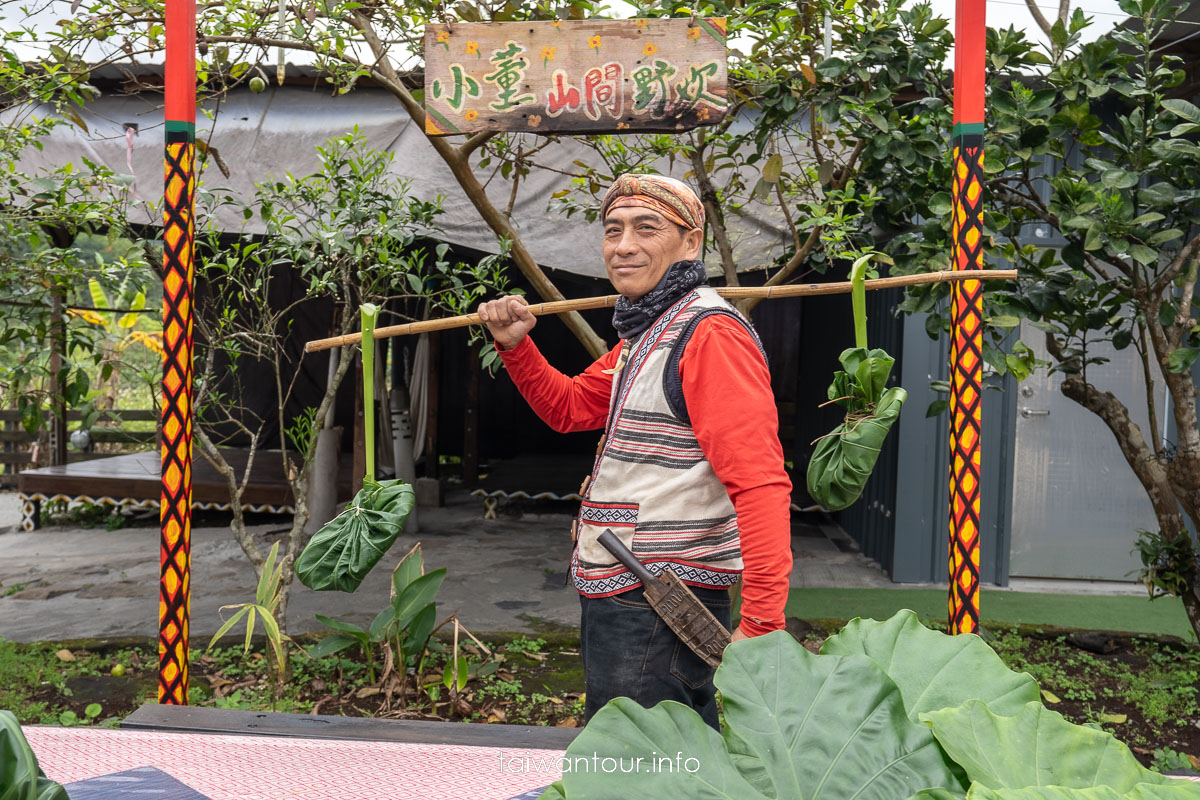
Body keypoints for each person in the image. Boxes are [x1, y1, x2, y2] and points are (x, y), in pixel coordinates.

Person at [477, 173, 792, 731]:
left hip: (660, 597)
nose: (623, 246)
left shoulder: (709, 334)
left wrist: (763, 621)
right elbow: (570, 408)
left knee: (641, 768)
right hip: (628, 588)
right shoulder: (650, 333)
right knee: (653, 762)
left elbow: (760, 482)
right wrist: (516, 345)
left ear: (690, 243)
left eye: (647, 229)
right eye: (612, 229)